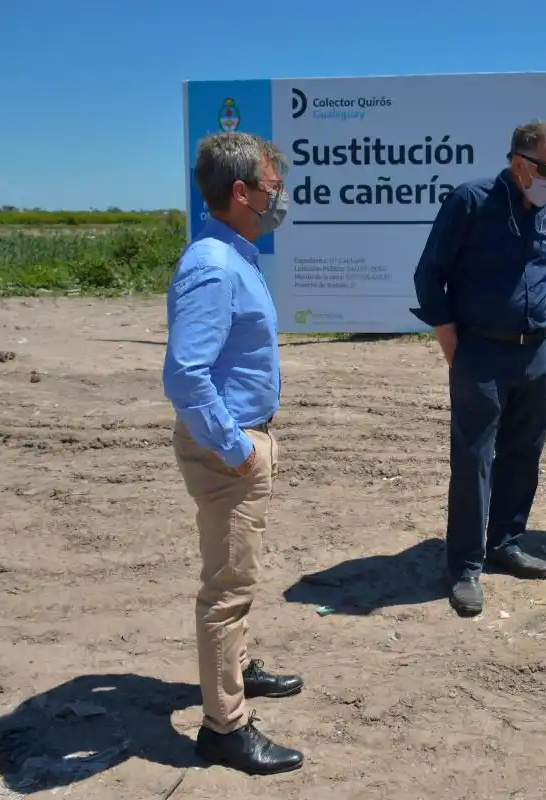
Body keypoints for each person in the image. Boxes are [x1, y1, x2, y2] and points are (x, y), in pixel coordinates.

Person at [162, 131, 304, 775]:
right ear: (240, 191)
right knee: (227, 586)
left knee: (238, 572)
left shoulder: (234, 254)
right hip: (229, 447)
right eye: (272, 186)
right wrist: (235, 447)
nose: (279, 197)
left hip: (240, 437)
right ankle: (225, 726)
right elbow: (184, 374)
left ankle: (238, 670)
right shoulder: (214, 266)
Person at [411, 120, 546, 617]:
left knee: (524, 452)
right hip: (480, 351)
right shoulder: (471, 200)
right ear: (519, 162)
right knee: (474, 460)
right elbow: (429, 274)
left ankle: (506, 542)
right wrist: (450, 343)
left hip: (535, 353)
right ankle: (464, 566)